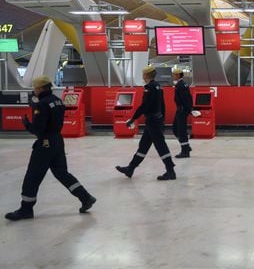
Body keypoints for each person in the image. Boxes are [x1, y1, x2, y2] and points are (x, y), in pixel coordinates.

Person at [5, 76, 96, 221]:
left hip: (45, 144)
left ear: (40, 88)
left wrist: (27, 124)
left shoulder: (42, 104)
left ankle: (26, 209)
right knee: (62, 173)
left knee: (33, 176)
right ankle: (85, 197)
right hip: (57, 141)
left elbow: (38, 129)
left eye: (35, 88)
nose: (34, 91)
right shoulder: (58, 101)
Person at [116, 66, 176, 180]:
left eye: (143, 74)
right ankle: (131, 168)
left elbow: (144, 106)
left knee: (161, 146)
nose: (142, 76)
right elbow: (162, 105)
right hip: (155, 121)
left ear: (146, 75)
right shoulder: (158, 86)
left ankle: (170, 171)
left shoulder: (150, 88)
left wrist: (133, 119)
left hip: (153, 121)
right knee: (143, 146)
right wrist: (162, 119)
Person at [172, 68, 193, 158]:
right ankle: (186, 147)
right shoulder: (181, 84)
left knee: (181, 131)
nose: (173, 76)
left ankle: (185, 151)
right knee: (176, 128)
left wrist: (188, 110)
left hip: (182, 110)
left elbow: (186, 99)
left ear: (178, 75)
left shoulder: (181, 85)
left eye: (174, 74)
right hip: (181, 110)